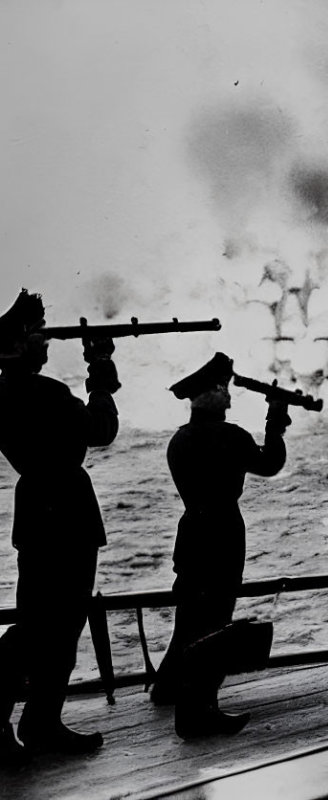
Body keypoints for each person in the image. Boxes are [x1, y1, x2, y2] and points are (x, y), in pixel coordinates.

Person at [0, 289, 120, 765]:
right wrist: (102, 374)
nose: (47, 342)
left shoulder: (3, 392)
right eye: (39, 335)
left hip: (36, 511)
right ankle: (41, 722)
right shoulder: (48, 393)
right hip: (66, 512)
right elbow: (102, 430)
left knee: (36, 624)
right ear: (22, 343)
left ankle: (34, 722)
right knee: (58, 625)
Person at [150, 352, 290, 739]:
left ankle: (166, 688)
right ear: (209, 395)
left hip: (191, 533)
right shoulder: (230, 436)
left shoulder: (178, 441)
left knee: (189, 619)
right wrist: (275, 419)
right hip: (224, 536)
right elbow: (270, 463)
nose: (229, 399)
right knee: (215, 623)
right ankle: (200, 708)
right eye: (223, 391)